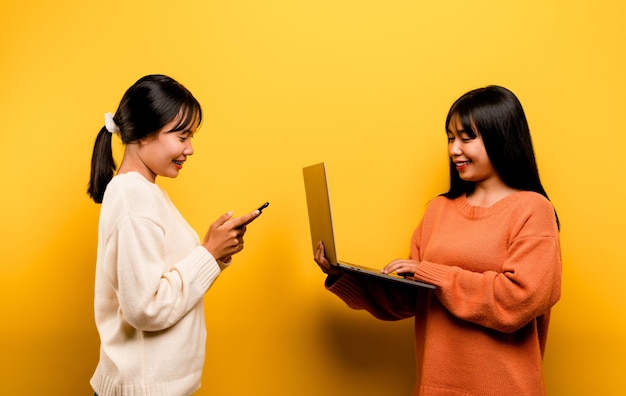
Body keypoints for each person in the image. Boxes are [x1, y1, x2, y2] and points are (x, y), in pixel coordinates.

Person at [314, 85, 561, 395]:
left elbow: (517, 301)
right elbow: (411, 300)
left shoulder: (533, 210)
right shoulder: (437, 210)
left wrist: (433, 273)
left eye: (466, 138)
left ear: (502, 137)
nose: (454, 149)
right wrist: (340, 274)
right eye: (450, 138)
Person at [87, 74, 261, 396]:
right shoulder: (133, 198)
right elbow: (145, 308)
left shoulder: (146, 193)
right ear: (143, 135)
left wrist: (216, 253)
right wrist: (207, 253)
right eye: (182, 136)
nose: (190, 149)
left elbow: (163, 279)